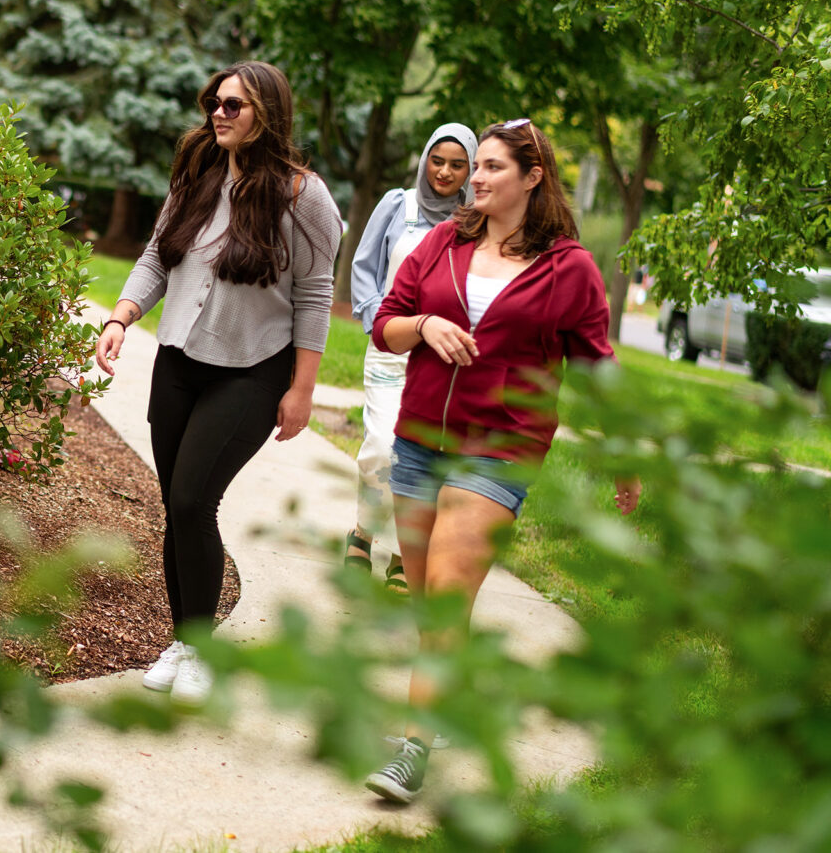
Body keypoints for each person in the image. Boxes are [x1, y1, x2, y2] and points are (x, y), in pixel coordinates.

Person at [362, 119, 641, 802]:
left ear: (533, 177)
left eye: (492, 167)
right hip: (421, 442)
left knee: (447, 597)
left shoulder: (568, 267)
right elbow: (385, 323)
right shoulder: (441, 243)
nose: (476, 177)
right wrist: (425, 325)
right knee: (428, 600)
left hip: (500, 451)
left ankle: (413, 747)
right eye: (475, 166)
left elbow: (597, 363)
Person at [94, 61, 343, 706]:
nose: (221, 113)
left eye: (236, 104)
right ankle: (183, 641)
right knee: (176, 505)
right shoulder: (198, 178)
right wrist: (122, 316)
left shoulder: (303, 195)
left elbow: (316, 295)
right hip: (179, 359)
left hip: (254, 369)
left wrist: (302, 388)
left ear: (268, 112)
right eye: (216, 102)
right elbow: (155, 254)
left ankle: (198, 650)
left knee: (193, 501)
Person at [346, 124, 477, 594]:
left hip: (441, 358)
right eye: (437, 160)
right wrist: (373, 322)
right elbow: (363, 266)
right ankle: (362, 531)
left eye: (457, 164)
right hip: (389, 348)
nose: (444, 171)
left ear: (470, 170)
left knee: (423, 453)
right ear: (424, 159)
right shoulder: (397, 204)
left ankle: (405, 553)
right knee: (381, 447)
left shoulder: (475, 219)